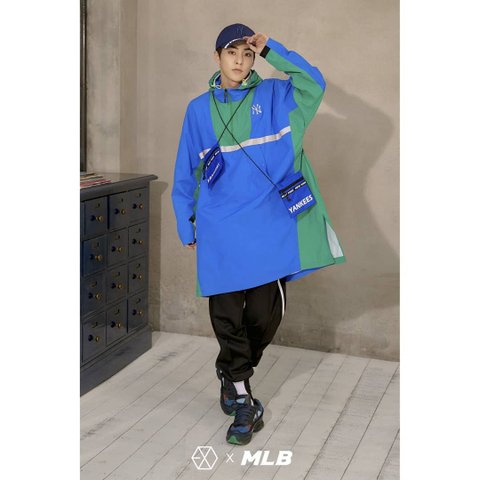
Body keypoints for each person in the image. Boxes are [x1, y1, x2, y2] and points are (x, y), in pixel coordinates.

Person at [171, 23, 345, 445]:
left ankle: (231, 371)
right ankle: (242, 396)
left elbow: (314, 83)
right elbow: (187, 170)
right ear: (217, 57)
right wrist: (184, 218)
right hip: (221, 227)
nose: (239, 60)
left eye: (247, 54)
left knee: (266, 315)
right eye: (231, 53)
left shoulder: (276, 96)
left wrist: (271, 49)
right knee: (226, 314)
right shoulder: (198, 110)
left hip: (271, 224)